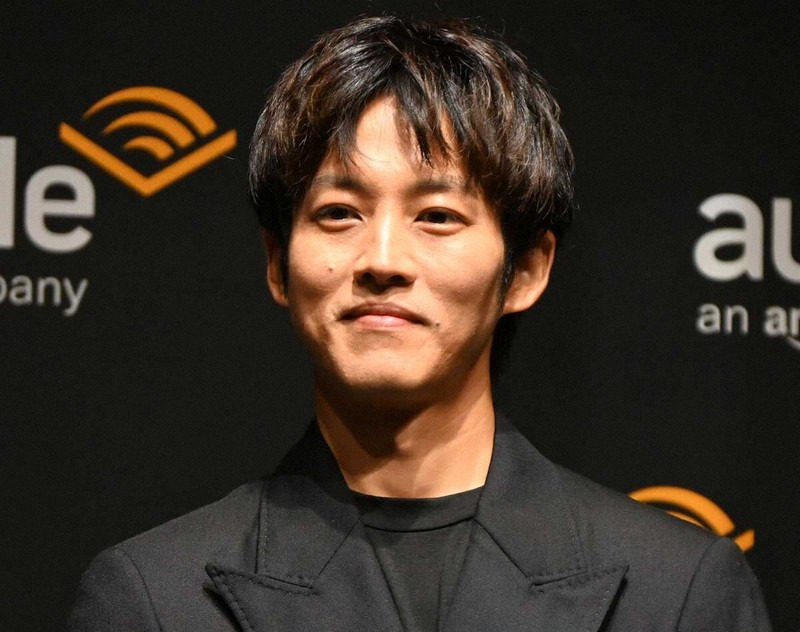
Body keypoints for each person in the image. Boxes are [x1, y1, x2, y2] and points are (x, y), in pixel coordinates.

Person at [68, 15, 771, 632]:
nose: (382, 259)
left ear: (526, 270)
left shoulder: (677, 591)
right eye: (339, 213)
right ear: (278, 265)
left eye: (437, 216)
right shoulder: (154, 598)